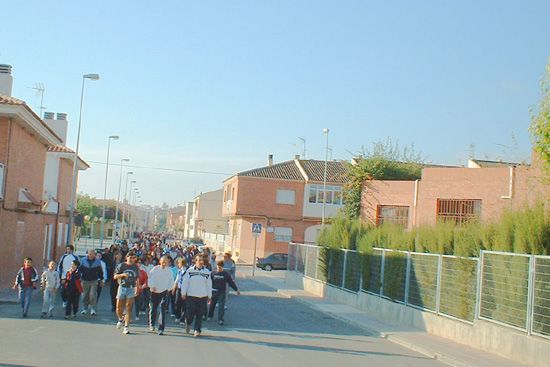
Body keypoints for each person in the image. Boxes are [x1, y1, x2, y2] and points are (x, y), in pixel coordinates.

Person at [181, 255, 212, 337]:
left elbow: (209, 284)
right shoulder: (190, 271)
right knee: (190, 313)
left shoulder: (207, 272)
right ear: (195, 261)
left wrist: (209, 296)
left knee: (200, 314)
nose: (201, 262)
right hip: (191, 296)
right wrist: (183, 293)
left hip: (202, 296)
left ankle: (197, 330)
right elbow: (185, 282)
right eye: (199, 260)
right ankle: (188, 322)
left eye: (202, 260)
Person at [113, 251, 140, 335]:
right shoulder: (121, 265)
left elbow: (137, 278)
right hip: (122, 287)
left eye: (134, 258)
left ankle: (126, 326)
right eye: (130, 257)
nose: (132, 259)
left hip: (131, 288)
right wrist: (122, 275)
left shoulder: (135, 267)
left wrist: (137, 287)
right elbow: (115, 276)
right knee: (118, 307)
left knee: (129, 307)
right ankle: (120, 319)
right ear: (127, 257)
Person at [208, 261, 240, 325]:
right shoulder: (213, 273)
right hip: (214, 291)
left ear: (222, 267)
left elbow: (231, 282)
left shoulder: (225, 274)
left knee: (221, 306)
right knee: (212, 305)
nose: (218, 269)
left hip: (222, 292)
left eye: (219, 267)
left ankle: (220, 319)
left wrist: (236, 290)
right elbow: (208, 282)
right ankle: (210, 316)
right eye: (217, 267)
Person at [148, 256, 174, 335]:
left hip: (164, 292)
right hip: (154, 292)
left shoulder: (169, 271)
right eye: (163, 261)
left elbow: (171, 281)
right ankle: (152, 324)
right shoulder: (155, 269)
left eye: (166, 262)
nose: (164, 263)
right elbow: (150, 278)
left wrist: (168, 289)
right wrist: (152, 286)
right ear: (160, 261)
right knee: (153, 309)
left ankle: (161, 328)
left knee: (162, 309)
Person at [79, 249, 104, 315]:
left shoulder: (98, 261)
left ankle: (93, 309)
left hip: (94, 280)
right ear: (87, 254)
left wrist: (101, 279)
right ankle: (85, 308)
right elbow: (79, 270)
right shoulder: (83, 260)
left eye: (92, 254)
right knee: (85, 295)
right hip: (85, 280)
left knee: (92, 294)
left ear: (94, 254)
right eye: (89, 254)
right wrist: (80, 279)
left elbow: (100, 271)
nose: (91, 255)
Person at [172, 258, 188, 324]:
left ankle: (182, 319)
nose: (178, 264)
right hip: (179, 289)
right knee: (177, 303)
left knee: (184, 305)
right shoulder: (179, 271)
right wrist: (173, 289)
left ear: (182, 264)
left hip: (185, 290)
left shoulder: (187, 271)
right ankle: (177, 316)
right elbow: (177, 280)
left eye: (179, 263)